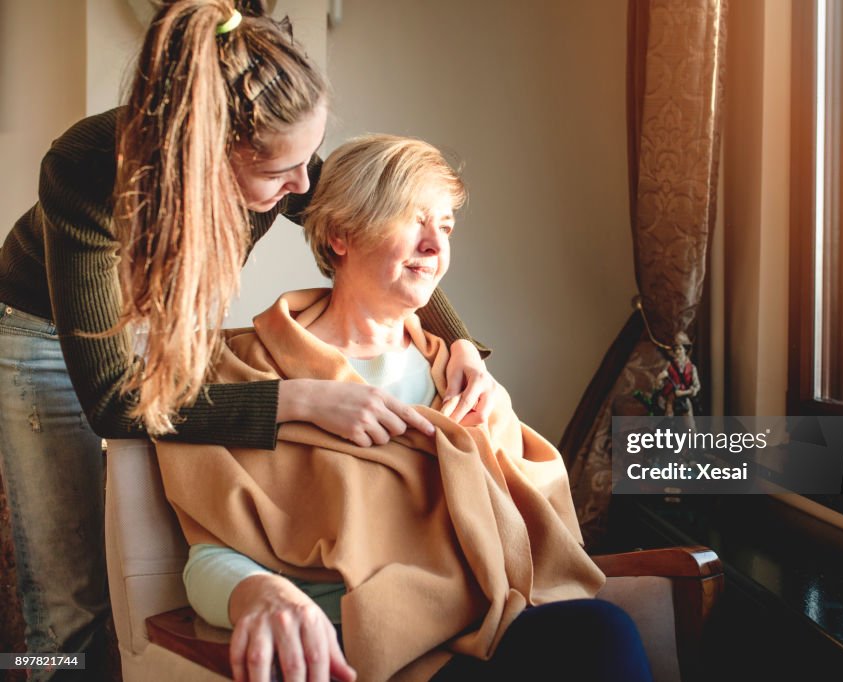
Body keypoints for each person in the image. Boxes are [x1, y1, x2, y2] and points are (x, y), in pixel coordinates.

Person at [0, 2, 493, 676]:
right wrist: (298, 400)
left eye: (305, 161)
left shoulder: (278, 150)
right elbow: (117, 401)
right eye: (277, 176)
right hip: (43, 334)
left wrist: (457, 340)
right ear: (202, 157)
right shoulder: (84, 173)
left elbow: (371, 227)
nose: (302, 189)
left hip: (163, 321)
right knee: (69, 599)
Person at [157, 135, 653, 682]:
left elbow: (537, 538)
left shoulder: (461, 377)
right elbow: (209, 555)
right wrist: (259, 592)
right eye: (412, 220)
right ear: (341, 234)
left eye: (445, 227)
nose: (435, 247)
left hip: (484, 626)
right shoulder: (245, 373)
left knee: (602, 633)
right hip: (355, 647)